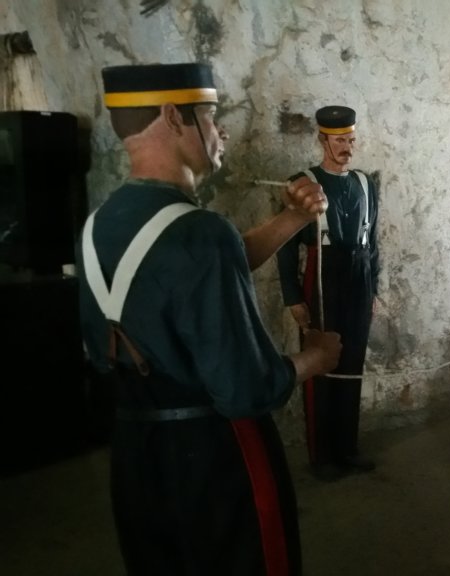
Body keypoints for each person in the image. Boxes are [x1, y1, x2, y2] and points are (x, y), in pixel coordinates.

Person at [77, 62, 341, 575]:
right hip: (215, 460)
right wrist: (315, 357)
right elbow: (247, 389)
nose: (221, 131)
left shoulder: (97, 226)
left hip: (136, 457)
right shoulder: (201, 232)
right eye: (211, 116)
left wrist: (293, 218)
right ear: (173, 117)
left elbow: (195, 270)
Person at [276, 105, 380, 480]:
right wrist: (293, 297)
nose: (346, 147)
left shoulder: (365, 183)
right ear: (322, 140)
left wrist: (374, 288)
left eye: (350, 139)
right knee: (321, 362)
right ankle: (322, 456)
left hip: (359, 277)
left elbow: (373, 242)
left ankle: (347, 448)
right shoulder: (303, 182)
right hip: (323, 277)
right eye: (339, 140)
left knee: (352, 362)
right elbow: (286, 246)